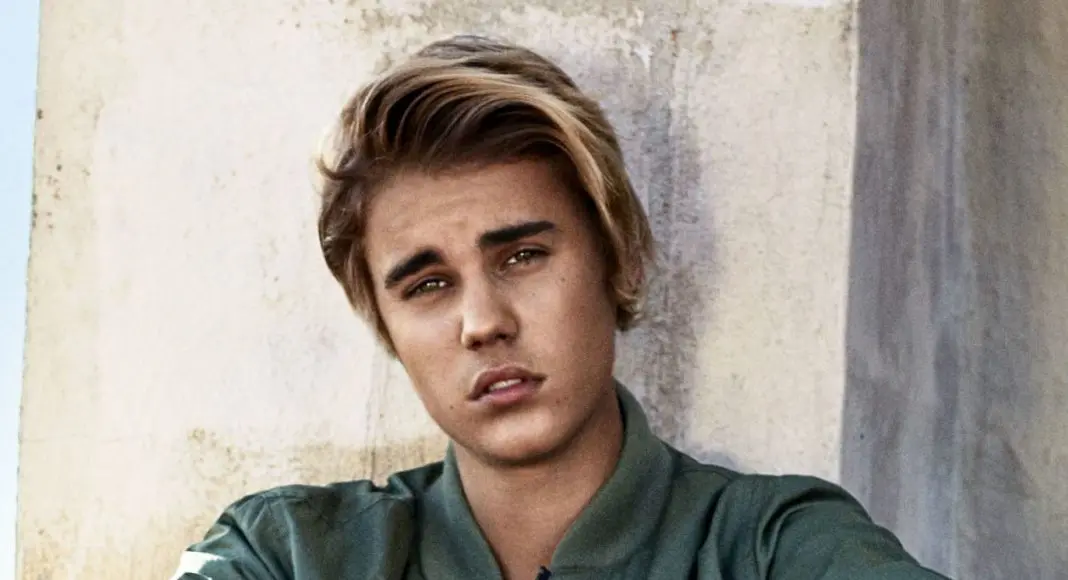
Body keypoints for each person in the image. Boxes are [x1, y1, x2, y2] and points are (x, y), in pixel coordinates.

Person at [171, 35, 949, 580]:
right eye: (428, 284)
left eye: (522, 256)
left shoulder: (773, 549)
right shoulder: (290, 556)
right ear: (384, 324)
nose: (483, 322)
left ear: (621, 257)